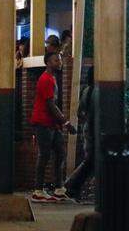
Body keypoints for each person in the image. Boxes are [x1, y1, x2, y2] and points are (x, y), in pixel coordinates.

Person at [30, 51, 74, 202]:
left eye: (59, 60)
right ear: (48, 63)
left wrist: (60, 121)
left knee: (60, 152)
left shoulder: (52, 78)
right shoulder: (46, 80)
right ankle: (38, 191)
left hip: (51, 123)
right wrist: (65, 122)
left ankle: (59, 189)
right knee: (44, 155)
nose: (59, 62)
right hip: (43, 122)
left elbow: (53, 104)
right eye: (56, 60)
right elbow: (50, 105)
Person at [64, 67, 96, 199]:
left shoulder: (87, 91)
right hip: (94, 130)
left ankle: (72, 187)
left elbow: (80, 112)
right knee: (90, 161)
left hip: (87, 129)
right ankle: (71, 185)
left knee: (90, 161)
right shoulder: (98, 91)